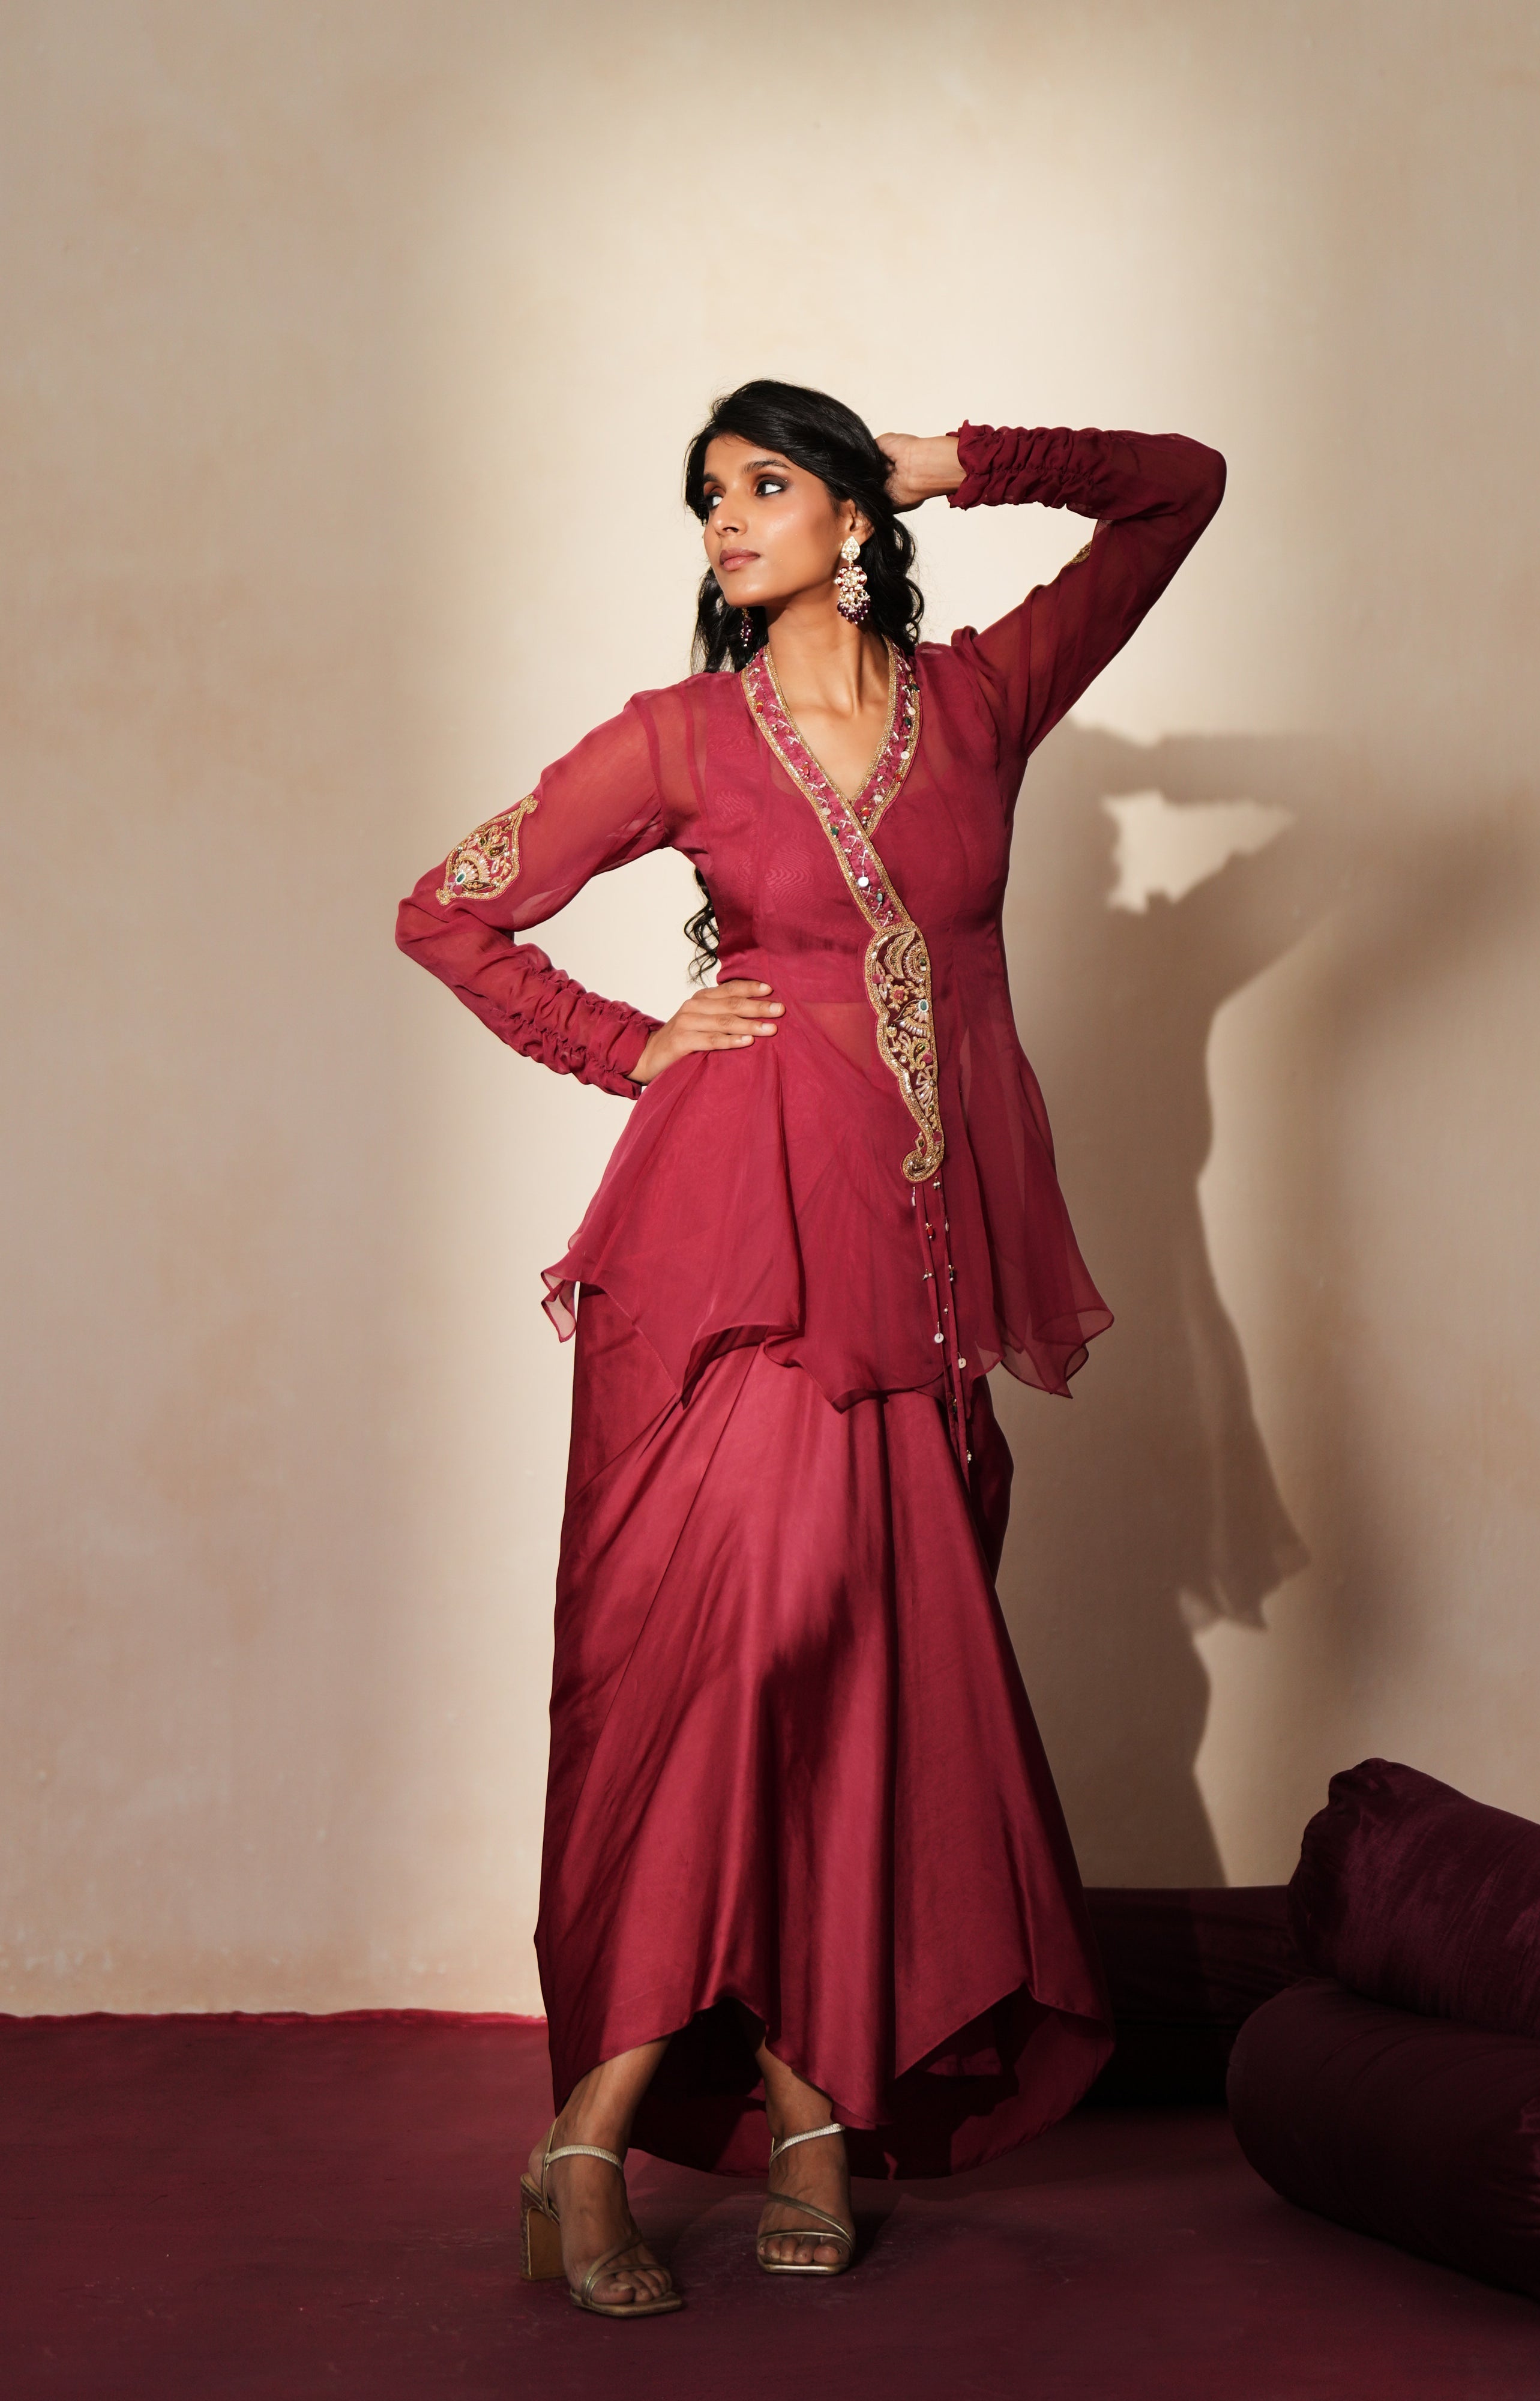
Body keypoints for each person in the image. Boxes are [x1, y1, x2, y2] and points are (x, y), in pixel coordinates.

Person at [396, 384, 1226, 2317]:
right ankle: (586, 2143)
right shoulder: (681, 736)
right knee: (707, 1674)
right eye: (707, 501)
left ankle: (809, 2113)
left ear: (852, 511)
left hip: (919, 1279)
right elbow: (449, 910)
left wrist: (966, 460)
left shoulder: (991, 697)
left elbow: (1178, 492)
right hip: (720, 1278)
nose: (727, 524)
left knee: (869, 1682)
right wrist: (634, 1043)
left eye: (765, 487)